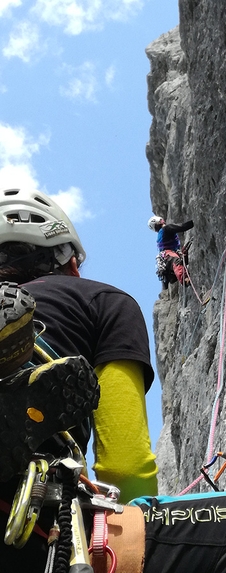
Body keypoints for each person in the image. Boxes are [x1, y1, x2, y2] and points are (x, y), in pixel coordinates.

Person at [0, 186, 158, 502]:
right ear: (71, 263)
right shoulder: (103, 301)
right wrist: (140, 521)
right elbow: (124, 466)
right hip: (40, 513)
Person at [148, 215, 194, 288]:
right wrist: (193, 222)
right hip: (169, 256)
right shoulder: (166, 229)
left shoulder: (161, 234)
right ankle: (185, 279)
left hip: (167, 264)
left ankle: (184, 277)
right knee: (177, 261)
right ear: (159, 221)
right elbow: (182, 227)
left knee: (180, 259)